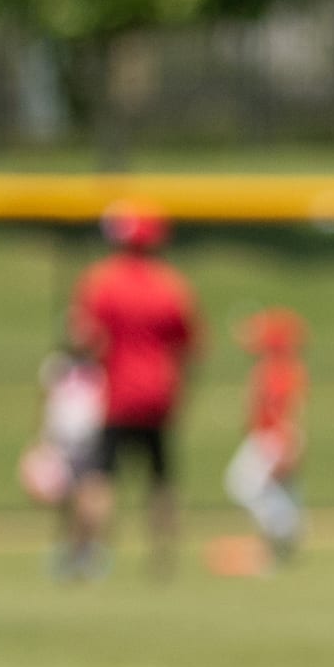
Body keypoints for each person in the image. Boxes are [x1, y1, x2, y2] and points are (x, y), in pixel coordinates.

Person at [68, 201, 203, 579]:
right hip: (160, 394)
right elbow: (191, 346)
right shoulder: (172, 285)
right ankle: (164, 562)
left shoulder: (102, 281)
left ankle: (89, 556)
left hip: (115, 395)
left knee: (101, 476)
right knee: (161, 479)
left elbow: (82, 336)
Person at [223, 310, 309, 566]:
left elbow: (286, 411)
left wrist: (286, 444)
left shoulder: (277, 369)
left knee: (243, 484)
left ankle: (283, 530)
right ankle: (280, 538)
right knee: (273, 489)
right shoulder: (275, 367)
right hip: (270, 435)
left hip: (273, 437)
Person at [20, 347, 108, 578]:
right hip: (59, 444)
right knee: (65, 501)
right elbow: (44, 403)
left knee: (89, 500)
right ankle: (68, 550)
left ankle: (89, 552)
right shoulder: (57, 365)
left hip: (90, 442)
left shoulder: (101, 367)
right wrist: (38, 441)